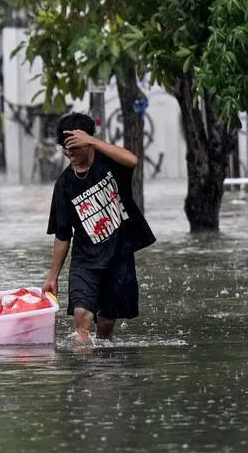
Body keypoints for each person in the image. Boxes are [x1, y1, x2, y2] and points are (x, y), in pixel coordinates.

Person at [43, 112, 155, 342]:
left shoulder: (110, 163)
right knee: (81, 316)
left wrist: (93, 140)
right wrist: (53, 276)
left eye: (75, 147)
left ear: (88, 142)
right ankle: (85, 373)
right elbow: (63, 235)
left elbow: (133, 160)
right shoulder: (64, 184)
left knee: (105, 324)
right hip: (84, 262)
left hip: (118, 257)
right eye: (66, 148)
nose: (69, 153)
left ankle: (103, 365)